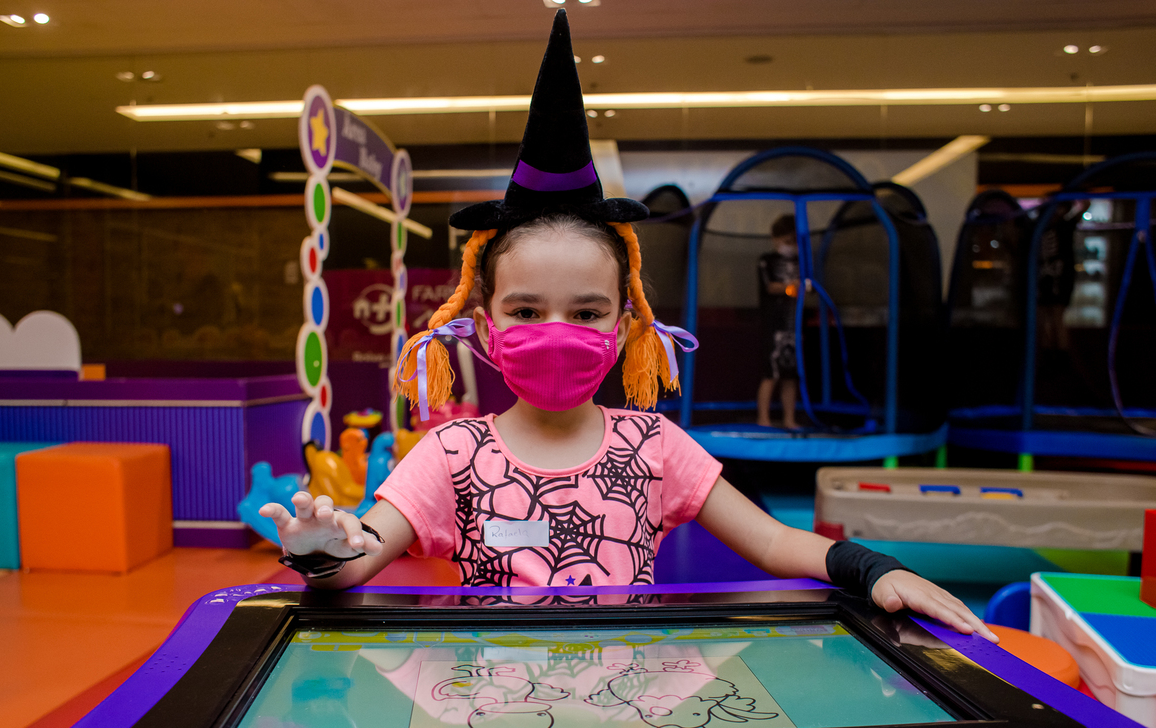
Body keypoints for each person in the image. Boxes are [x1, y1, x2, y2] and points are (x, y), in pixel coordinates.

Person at [261, 9, 996, 643]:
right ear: (484, 330)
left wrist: (875, 569)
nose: (556, 332)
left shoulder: (654, 446)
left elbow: (773, 542)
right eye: (525, 311)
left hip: (625, 709)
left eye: (586, 312)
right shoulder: (450, 454)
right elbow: (358, 560)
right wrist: (322, 551)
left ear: (622, 330)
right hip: (488, 710)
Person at [756, 214, 802, 429]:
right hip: (773, 325)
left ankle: (789, 419)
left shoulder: (801, 262)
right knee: (771, 373)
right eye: (786, 241)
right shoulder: (766, 260)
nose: (789, 246)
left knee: (791, 374)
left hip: (794, 325)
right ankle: (763, 419)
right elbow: (770, 286)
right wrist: (790, 288)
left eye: (793, 241)